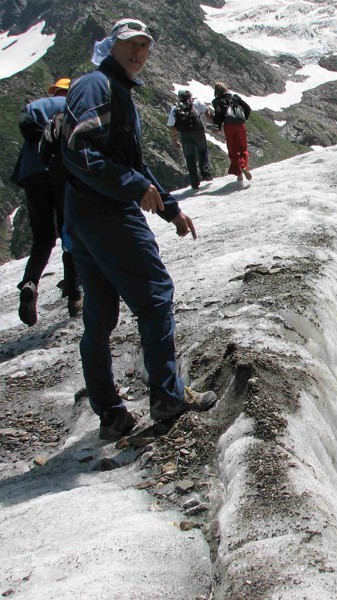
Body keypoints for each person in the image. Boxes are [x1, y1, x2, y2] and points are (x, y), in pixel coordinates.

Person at [61, 18, 217, 441]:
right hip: (109, 215)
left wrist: (169, 208)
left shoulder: (114, 90)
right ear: (111, 47)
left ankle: (111, 415)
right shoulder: (97, 86)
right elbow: (78, 150)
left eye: (144, 45)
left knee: (100, 316)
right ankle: (167, 397)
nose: (138, 52)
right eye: (130, 44)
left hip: (86, 218)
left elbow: (131, 163)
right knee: (154, 297)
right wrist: (133, 187)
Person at [10, 77, 82, 326]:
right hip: (61, 171)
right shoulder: (73, 106)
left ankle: (30, 282)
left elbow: (26, 129)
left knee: (43, 239)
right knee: (69, 232)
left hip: (31, 173)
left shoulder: (35, 106)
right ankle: (74, 294)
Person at [167, 89, 213, 189]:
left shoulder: (175, 108)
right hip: (198, 131)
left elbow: (172, 127)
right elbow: (207, 114)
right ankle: (206, 174)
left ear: (179, 97)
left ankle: (194, 183)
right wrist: (217, 124)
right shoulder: (196, 102)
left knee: (190, 157)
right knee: (203, 151)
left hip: (184, 134)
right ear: (189, 95)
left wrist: (175, 141)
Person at [212, 82, 252, 182]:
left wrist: (218, 126)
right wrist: (244, 119)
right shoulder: (235, 97)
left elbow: (218, 113)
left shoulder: (217, 101)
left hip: (229, 126)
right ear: (226, 88)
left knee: (233, 150)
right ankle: (243, 167)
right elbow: (247, 108)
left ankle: (239, 172)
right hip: (240, 125)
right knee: (243, 148)